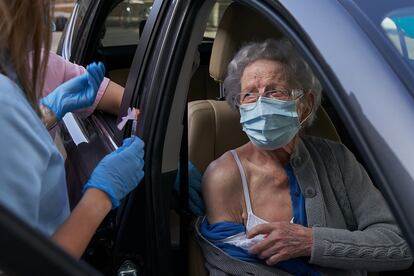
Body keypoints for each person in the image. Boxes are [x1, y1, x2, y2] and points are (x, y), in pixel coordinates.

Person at [196, 39, 413, 275]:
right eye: (249, 94)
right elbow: (230, 267)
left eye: (275, 91)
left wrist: (311, 242)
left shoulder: (336, 158)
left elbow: (401, 244)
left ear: (305, 105)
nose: (261, 104)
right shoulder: (224, 176)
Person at [0, 0, 144, 259]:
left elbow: (132, 107)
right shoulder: (5, 102)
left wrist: (47, 112)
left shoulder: (35, 66)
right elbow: (25, 265)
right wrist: (100, 195)